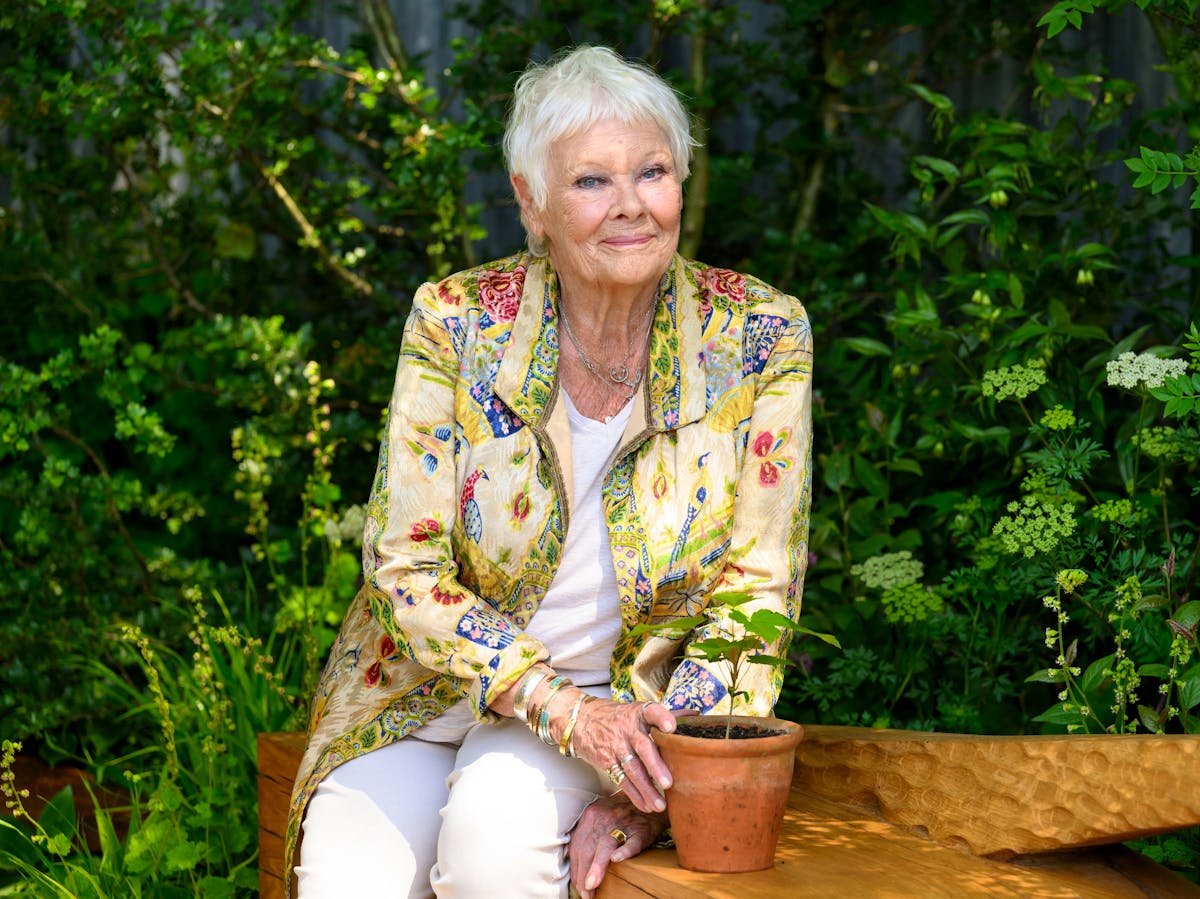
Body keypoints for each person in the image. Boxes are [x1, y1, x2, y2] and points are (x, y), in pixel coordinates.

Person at [288, 44, 813, 899]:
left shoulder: (758, 337)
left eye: (652, 172)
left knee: (493, 850)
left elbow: (757, 589)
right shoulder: (457, 322)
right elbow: (405, 566)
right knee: (346, 880)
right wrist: (555, 704)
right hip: (424, 695)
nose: (632, 206)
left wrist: (660, 781)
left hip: (611, 706)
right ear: (532, 205)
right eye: (591, 182)